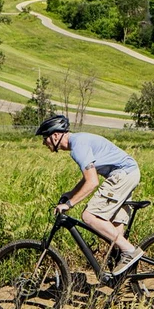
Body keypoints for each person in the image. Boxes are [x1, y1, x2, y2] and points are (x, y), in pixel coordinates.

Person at [35, 115, 144, 276]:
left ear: (56, 135)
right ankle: (129, 280)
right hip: (129, 173)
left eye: (45, 138)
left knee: (89, 216)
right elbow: (89, 175)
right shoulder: (80, 141)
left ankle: (130, 251)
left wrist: (69, 204)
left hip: (122, 174)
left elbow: (92, 182)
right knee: (114, 236)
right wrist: (70, 193)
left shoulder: (78, 146)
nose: (44, 142)